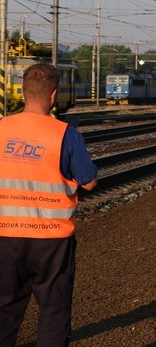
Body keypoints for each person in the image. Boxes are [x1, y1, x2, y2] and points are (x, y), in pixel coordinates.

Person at [0, 63, 97, 347]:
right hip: (52, 240)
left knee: (4, 309)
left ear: (21, 91)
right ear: (53, 96)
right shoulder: (65, 133)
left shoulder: (1, 128)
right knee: (53, 310)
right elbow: (88, 182)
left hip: (6, 236)